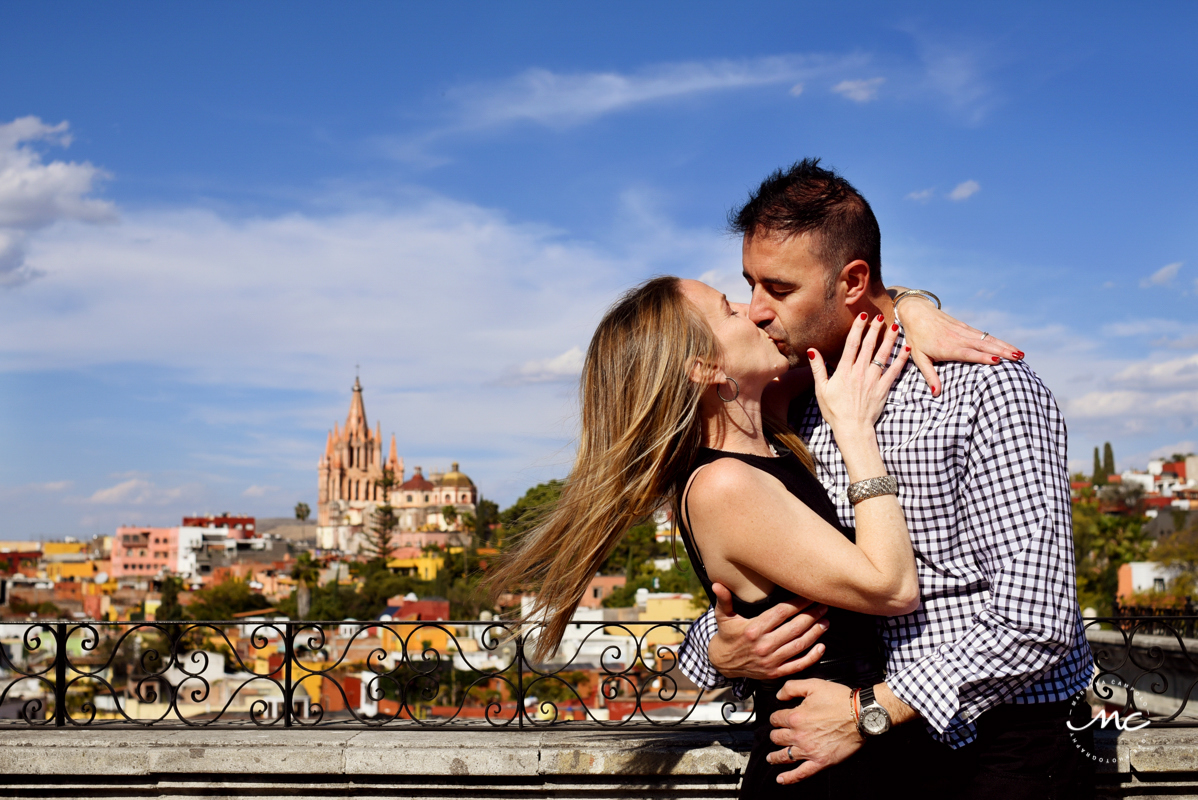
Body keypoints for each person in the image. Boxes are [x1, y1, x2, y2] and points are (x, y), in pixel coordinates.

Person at [487, 268, 1009, 796]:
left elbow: (850, 311)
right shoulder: (724, 484)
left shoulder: (765, 432)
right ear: (703, 366)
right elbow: (892, 588)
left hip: (853, 749)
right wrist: (855, 433)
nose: (756, 312)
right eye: (730, 310)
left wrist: (912, 306)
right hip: (822, 768)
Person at [677, 158, 1094, 798]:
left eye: (780, 290)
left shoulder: (985, 386)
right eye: (748, 285)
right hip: (855, 758)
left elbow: (1038, 618)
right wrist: (717, 650)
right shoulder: (791, 402)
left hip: (994, 753)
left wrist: (870, 710)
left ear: (852, 281)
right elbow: (760, 578)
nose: (757, 311)